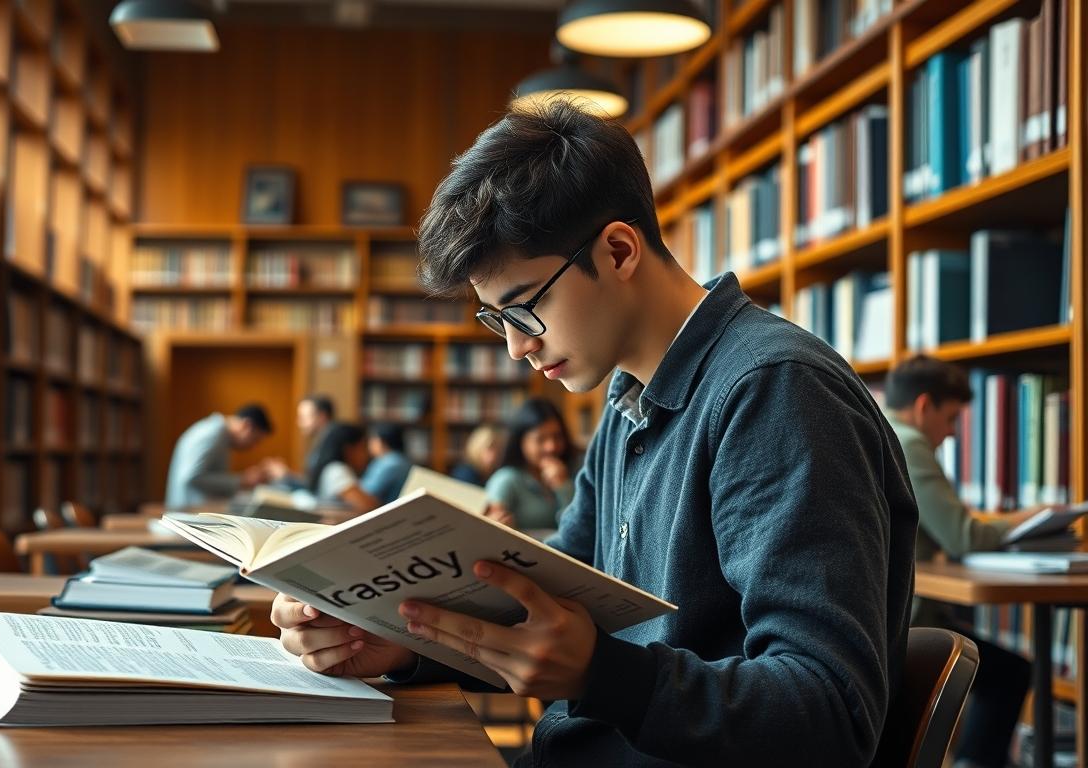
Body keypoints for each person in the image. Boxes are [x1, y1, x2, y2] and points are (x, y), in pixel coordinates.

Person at [271, 100, 918, 765]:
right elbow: (546, 607)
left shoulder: (774, 391)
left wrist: (600, 675)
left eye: (524, 307)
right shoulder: (627, 400)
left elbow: (830, 716)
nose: (517, 349)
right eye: (498, 321)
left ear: (618, 250)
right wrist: (403, 641)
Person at [884, 355, 1035, 768]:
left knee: (999, 671)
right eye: (951, 419)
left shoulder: (877, 428)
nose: (951, 433)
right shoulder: (908, 442)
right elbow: (962, 536)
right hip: (909, 618)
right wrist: (1028, 519)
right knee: (1010, 674)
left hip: (894, 612)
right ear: (923, 405)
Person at [485, 399, 575, 530]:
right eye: (540, 439)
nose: (551, 446)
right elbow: (491, 525)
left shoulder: (571, 474)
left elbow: (578, 527)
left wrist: (563, 486)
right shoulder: (507, 479)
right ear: (521, 441)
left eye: (557, 436)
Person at [164, 403, 273, 509]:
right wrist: (242, 480)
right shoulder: (213, 434)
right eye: (255, 440)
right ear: (247, 425)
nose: (253, 447)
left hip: (192, 510)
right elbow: (191, 478)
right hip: (187, 512)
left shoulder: (219, 434)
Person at [263, 394, 336, 489]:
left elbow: (316, 486)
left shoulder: (332, 444)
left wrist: (286, 474)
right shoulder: (322, 442)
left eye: (303, 418)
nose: (299, 423)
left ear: (322, 416)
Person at [308, 422, 380, 513]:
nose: (367, 454)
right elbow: (369, 507)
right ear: (349, 449)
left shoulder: (331, 468)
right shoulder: (337, 470)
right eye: (363, 447)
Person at [358, 423, 413, 506]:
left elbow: (366, 494)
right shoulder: (403, 460)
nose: (369, 444)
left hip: (388, 513)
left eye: (371, 439)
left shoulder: (389, 463)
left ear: (380, 441)